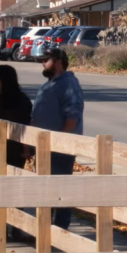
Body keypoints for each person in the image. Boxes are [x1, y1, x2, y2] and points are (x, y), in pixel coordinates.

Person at [31, 48, 85, 230]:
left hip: (60, 149)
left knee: (59, 190)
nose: (43, 64)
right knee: (44, 190)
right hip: (43, 146)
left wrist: (60, 140)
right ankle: (45, 229)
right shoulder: (49, 84)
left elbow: (73, 114)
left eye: (46, 60)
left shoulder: (68, 84)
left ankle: (60, 229)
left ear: (58, 62)